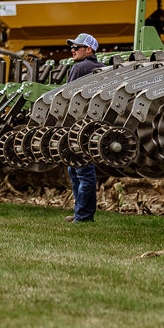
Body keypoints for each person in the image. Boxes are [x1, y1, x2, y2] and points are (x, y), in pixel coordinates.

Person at [65, 32, 105, 223]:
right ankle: (82, 212)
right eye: (72, 47)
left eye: (76, 47)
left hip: (77, 125)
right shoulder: (102, 67)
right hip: (92, 125)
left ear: (89, 49)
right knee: (82, 170)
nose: (72, 50)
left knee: (80, 171)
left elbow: (66, 96)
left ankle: (83, 216)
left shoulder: (80, 68)